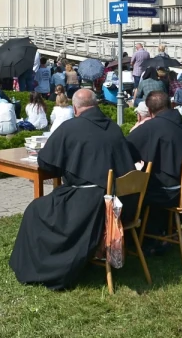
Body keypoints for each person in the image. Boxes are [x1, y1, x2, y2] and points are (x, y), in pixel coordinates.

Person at [9, 89, 142, 290]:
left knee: (36, 210)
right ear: (96, 105)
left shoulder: (71, 127)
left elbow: (45, 162)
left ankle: (43, 267)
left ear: (75, 108)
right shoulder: (113, 127)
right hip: (121, 203)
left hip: (93, 204)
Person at [127, 91, 182, 244]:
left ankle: (144, 239)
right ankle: (165, 230)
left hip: (173, 194)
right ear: (170, 105)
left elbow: (125, 150)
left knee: (132, 191)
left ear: (149, 110)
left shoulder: (151, 127)